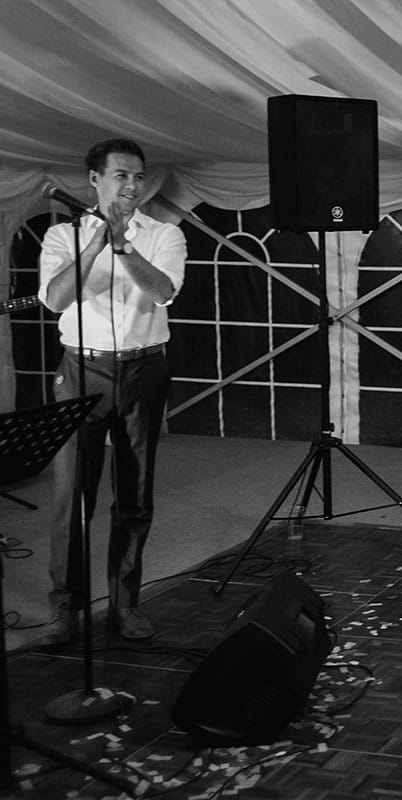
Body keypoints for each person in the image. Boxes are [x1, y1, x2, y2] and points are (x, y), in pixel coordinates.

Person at [38, 139, 187, 644]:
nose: (132, 185)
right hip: (82, 369)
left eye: (138, 177)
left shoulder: (164, 234)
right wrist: (97, 243)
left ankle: (125, 604)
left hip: (144, 370)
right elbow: (56, 299)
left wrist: (124, 246)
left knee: (135, 495)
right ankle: (67, 607)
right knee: (73, 495)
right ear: (94, 181)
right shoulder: (63, 236)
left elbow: (163, 291)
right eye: (121, 175)